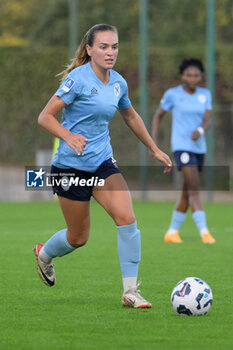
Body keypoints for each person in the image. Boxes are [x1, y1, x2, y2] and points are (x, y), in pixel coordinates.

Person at [33, 24, 172, 309]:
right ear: (89, 50)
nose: (110, 52)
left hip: (102, 163)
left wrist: (154, 148)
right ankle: (45, 254)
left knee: (127, 219)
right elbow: (45, 117)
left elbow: (130, 116)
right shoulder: (77, 80)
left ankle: (130, 292)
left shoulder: (119, 82)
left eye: (115, 47)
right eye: (104, 47)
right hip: (70, 168)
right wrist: (68, 136)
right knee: (78, 237)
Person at [151, 58, 215, 244]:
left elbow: (207, 119)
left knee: (187, 190)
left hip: (199, 148)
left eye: (196, 75)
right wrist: (153, 145)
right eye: (188, 75)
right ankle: (205, 232)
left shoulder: (205, 94)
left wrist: (201, 130)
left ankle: (172, 232)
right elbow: (158, 116)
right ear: (182, 76)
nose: (192, 78)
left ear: (201, 76)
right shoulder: (172, 94)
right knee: (194, 188)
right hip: (182, 147)